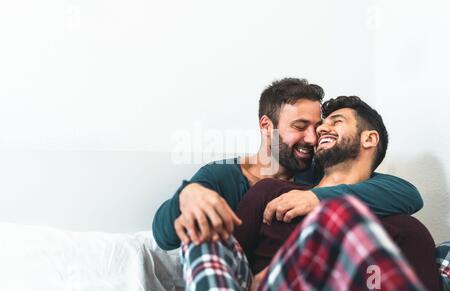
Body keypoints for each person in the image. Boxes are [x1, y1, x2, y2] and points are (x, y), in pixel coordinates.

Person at [180, 96, 434, 291]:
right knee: (202, 230)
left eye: (336, 121)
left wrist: (318, 201)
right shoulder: (271, 191)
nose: (321, 129)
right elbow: (231, 261)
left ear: (369, 139)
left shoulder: (405, 228)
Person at [152, 78, 423, 251]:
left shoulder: (317, 173)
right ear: (266, 126)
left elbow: (406, 194)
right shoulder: (223, 176)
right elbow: (164, 237)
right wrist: (187, 195)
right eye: (300, 127)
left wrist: (317, 198)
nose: (312, 137)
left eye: (317, 127)